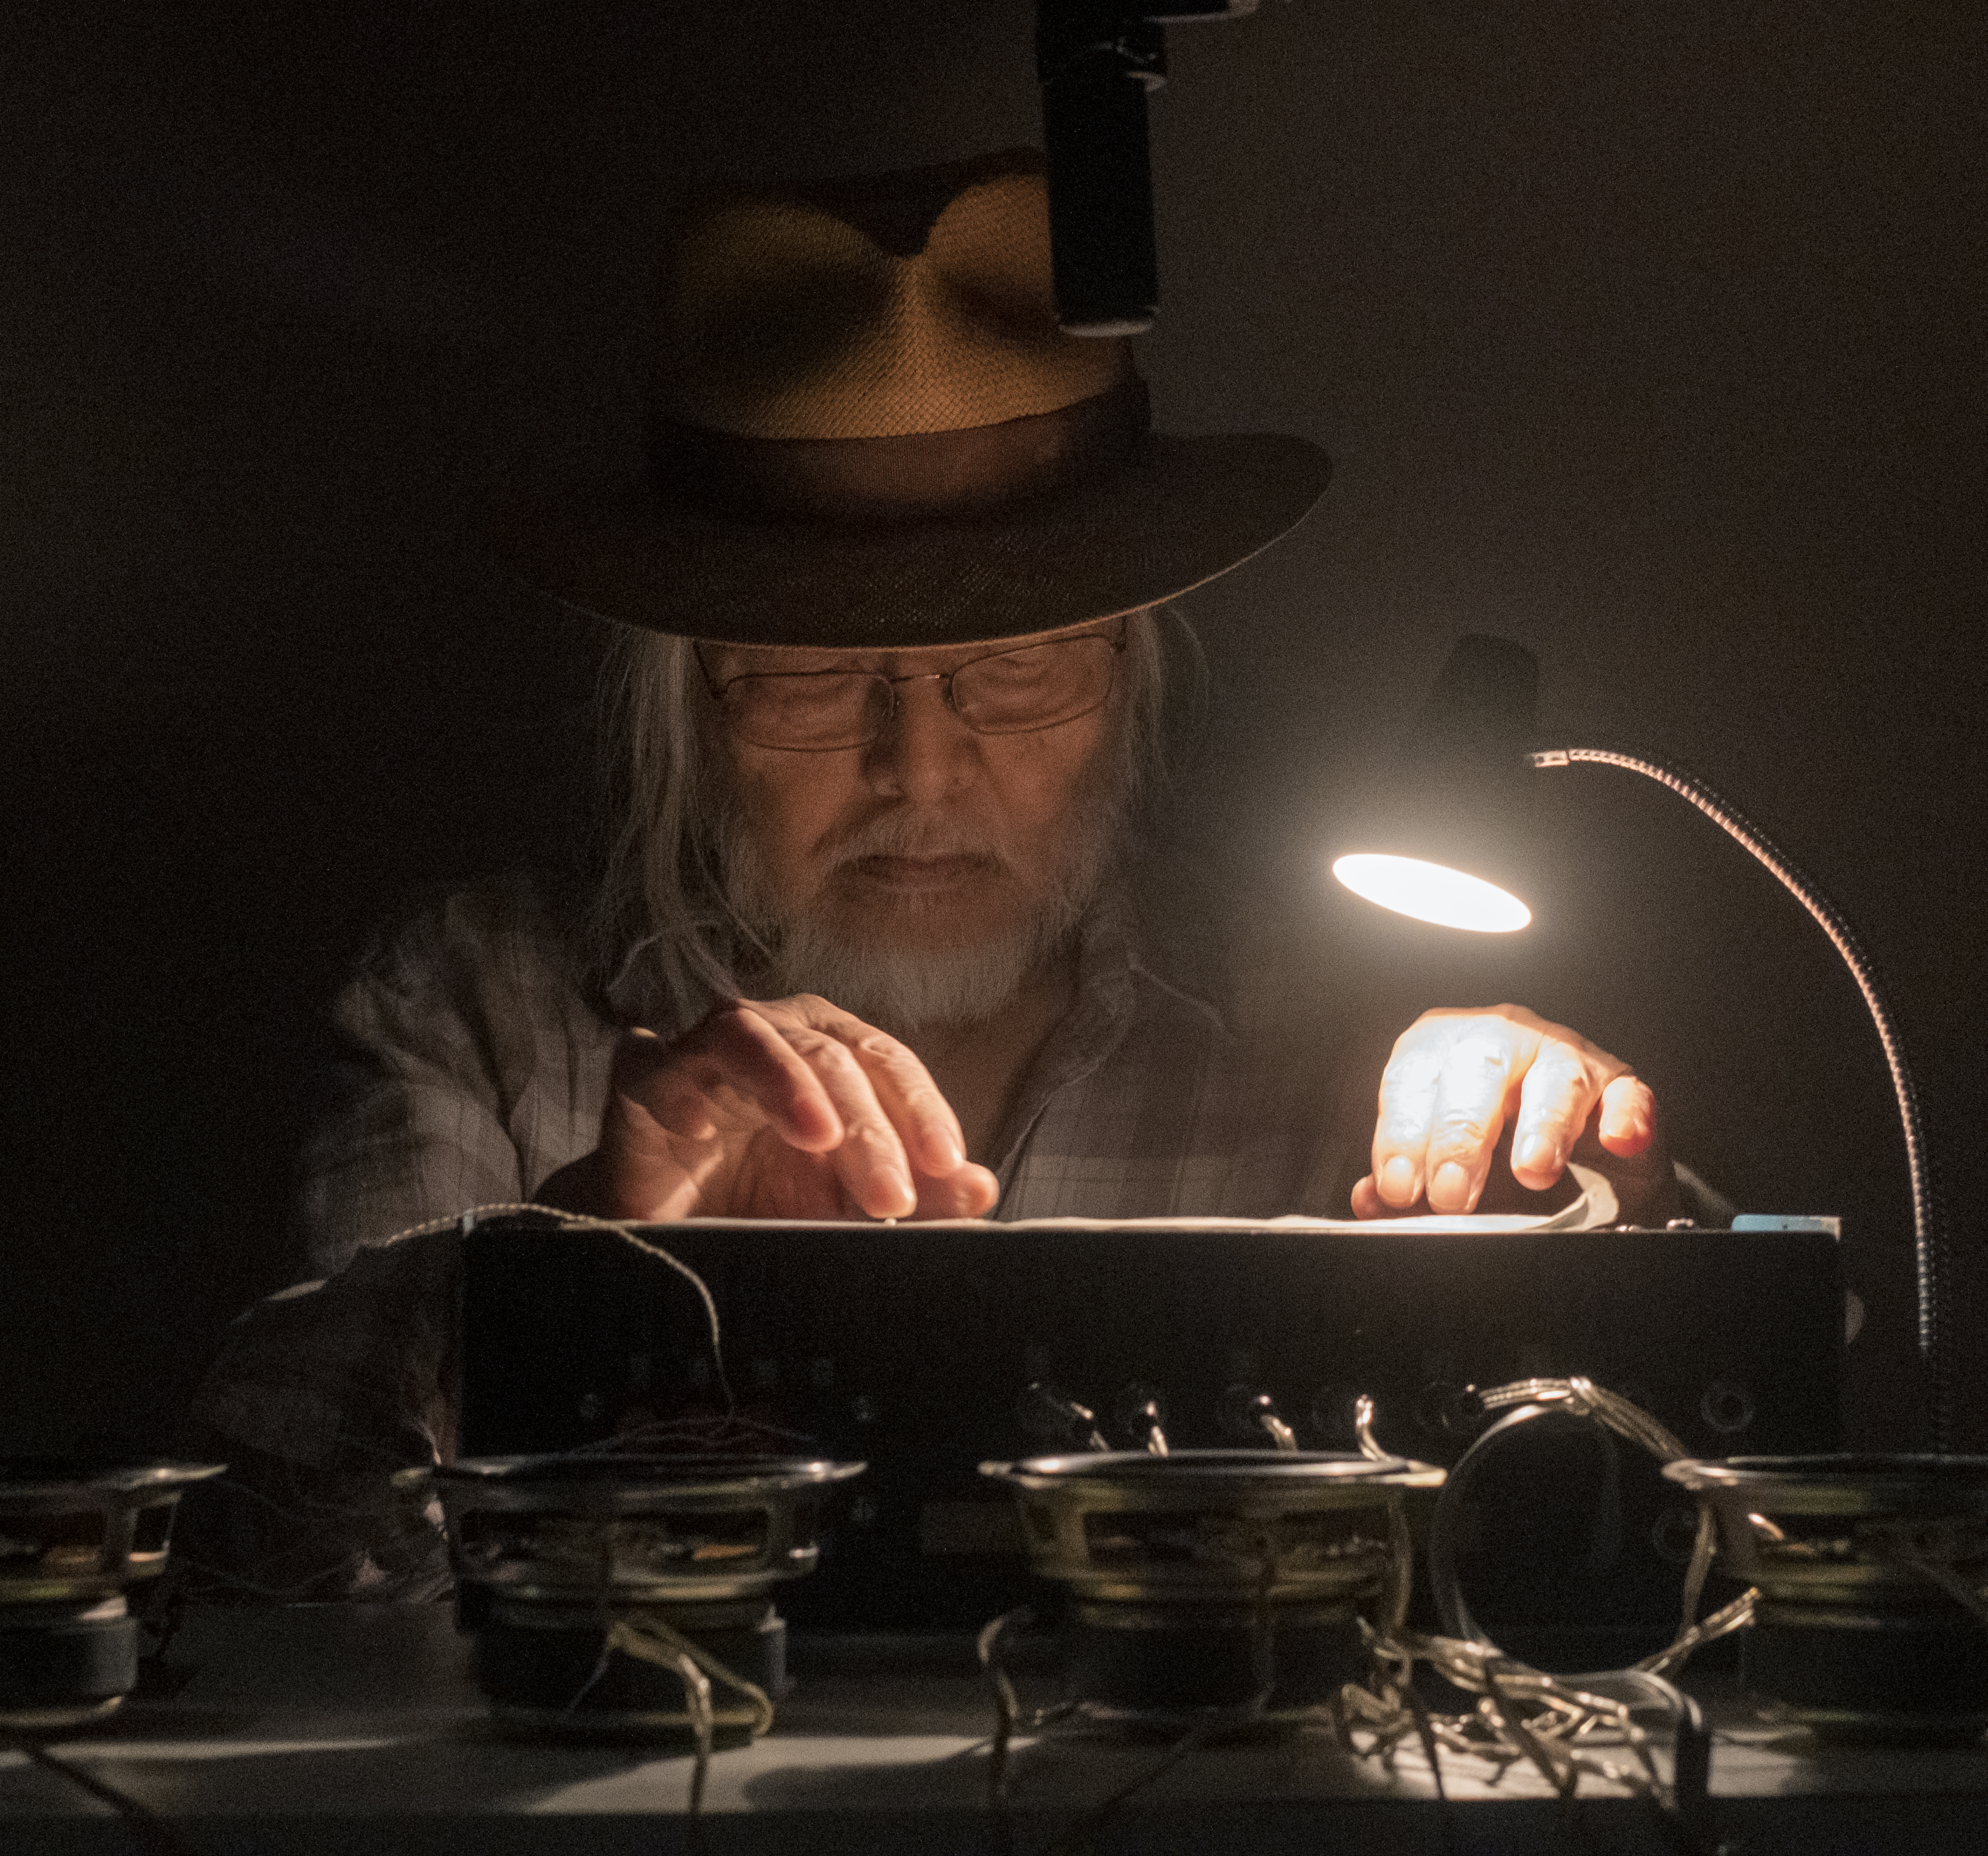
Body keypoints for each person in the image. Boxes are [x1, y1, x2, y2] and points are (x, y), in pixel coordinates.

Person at [189, 151, 1688, 1594]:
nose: (918, 768)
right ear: (687, 700)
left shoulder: (1330, 1013)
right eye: (809, 675)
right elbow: (282, 1558)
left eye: (1016, 666)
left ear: (1127, 674)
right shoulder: (481, 1001)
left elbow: (1673, 1501)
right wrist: (588, 1268)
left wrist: (1585, 1196)